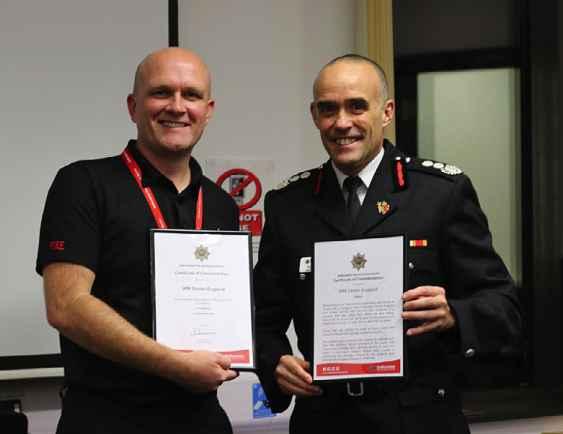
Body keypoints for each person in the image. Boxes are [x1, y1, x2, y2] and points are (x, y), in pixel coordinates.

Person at [253, 54, 522, 434]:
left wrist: (453, 314)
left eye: (357, 106)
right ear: (314, 116)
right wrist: (276, 361)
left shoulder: (439, 194)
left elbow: (504, 307)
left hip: (419, 418)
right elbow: (262, 317)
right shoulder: (288, 205)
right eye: (328, 109)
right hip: (325, 419)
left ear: (387, 112)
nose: (342, 122)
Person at [36, 48, 239, 434]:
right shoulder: (82, 184)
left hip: (201, 417)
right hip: (107, 418)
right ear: (133, 106)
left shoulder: (221, 205)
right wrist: (177, 365)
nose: (177, 106)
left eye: (191, 95)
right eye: (161, 92)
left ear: (208, 110)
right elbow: (65, 306)